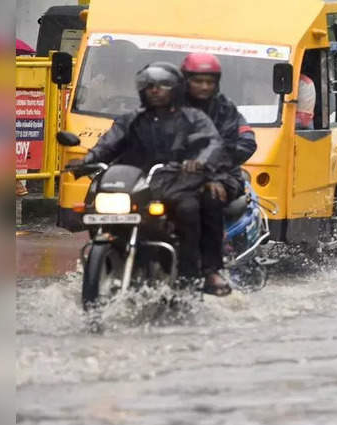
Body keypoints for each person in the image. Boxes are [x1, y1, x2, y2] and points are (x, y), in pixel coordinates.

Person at [70, 62, 230, 294]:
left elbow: (211, 143)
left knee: (189, 209)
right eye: (149, 85)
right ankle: (107, 262)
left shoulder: (193, 118)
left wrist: (200, 161)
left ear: (176, 89)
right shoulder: (131, 119)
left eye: (163, 85)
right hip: (138, 184)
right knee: (98, 207)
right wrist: (87, 160)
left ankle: (194, 275)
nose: (155, 90)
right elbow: (108, 144)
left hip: (179, 184)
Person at [181, 53, 258, 291]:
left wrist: (210, 167)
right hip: (174, 175)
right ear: (185, 80)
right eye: (198, 80)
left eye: (209, 81)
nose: (204, 86)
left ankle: (211, 269)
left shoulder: (225, 110)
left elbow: (246, 141)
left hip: (222, 175)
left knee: (209, 199)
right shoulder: (168, 106)